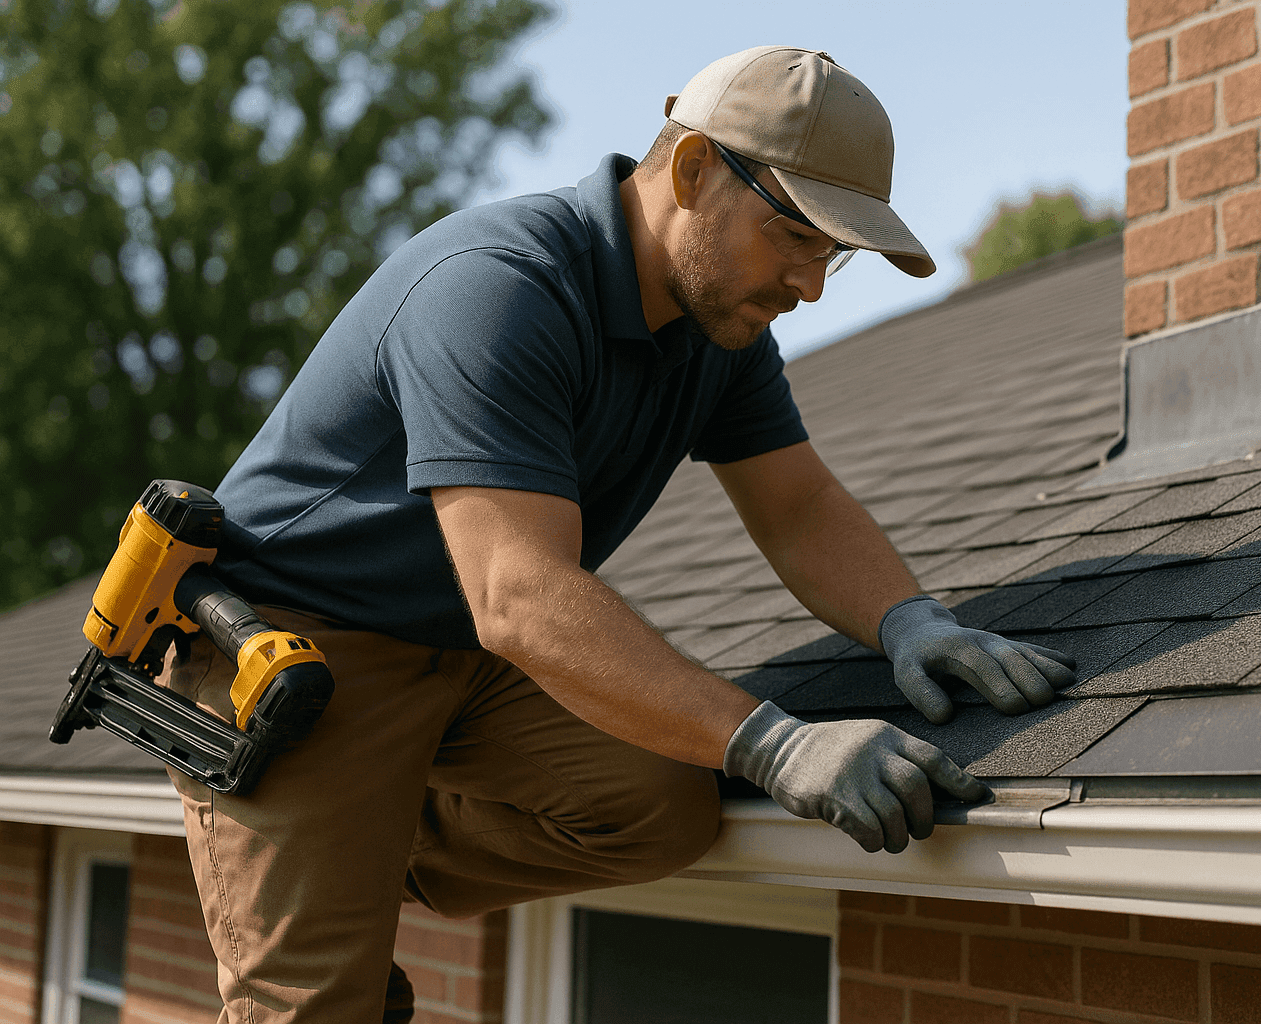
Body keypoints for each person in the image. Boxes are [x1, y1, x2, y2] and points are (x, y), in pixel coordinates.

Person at [167, 46, 1076, 1020]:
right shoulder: (499, 288)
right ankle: (327, 857)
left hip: (463, 651)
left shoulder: (719, 333)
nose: (811, 285)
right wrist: (773, 744)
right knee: (316, 1006)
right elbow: (519, 596)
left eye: (833, 253)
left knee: (663, 803)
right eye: (795, 236)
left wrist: (910, 619)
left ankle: (362, 845)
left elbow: (798, 506)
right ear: (691, 172)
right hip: (302, 648)